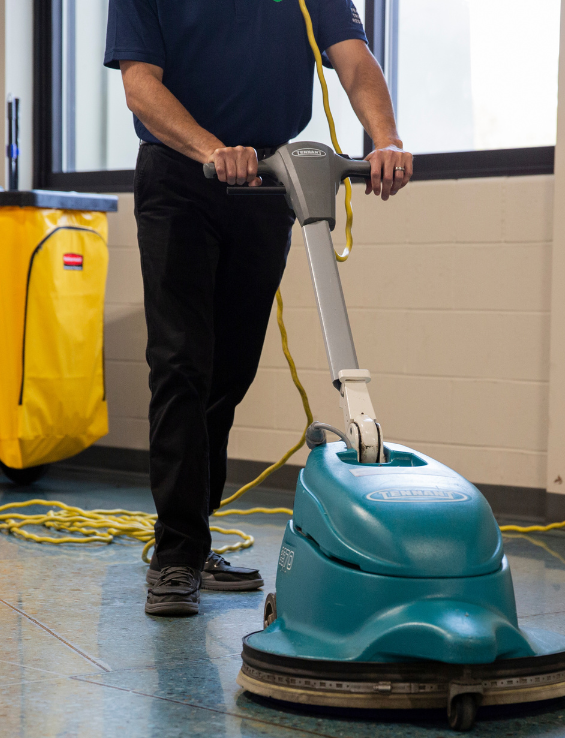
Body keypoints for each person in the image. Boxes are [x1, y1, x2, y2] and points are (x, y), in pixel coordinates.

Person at [105, 0, 413, 616]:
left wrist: (386, 140)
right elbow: (141, 85)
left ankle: (196, 542)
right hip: (181, 179)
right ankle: (175, 557)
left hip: (266, 180)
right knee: (182, 364)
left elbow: (353, 64)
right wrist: (212, 148)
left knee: (230, 369)